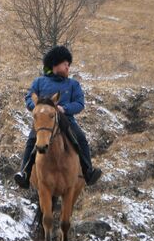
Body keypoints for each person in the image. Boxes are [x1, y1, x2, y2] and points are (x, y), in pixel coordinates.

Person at [13, 45, 101, 189]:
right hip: (43, 122)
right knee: (31, 141)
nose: (68, 68)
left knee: (81, 139)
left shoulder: (73, 84)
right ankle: (24, 173)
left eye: (69, 65)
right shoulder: (39, 82)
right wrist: (36, 107)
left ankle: (88, 172)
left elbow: (79, 103)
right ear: (55, 64)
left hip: (67, 121)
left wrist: (64, 108)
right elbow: (29, 97)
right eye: (65, 64)